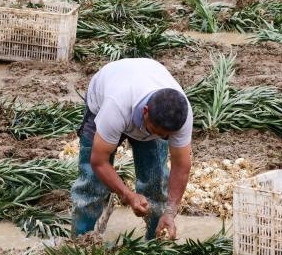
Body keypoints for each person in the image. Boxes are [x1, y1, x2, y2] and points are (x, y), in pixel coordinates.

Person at [71, 58, 194, 241]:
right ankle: (81, 242)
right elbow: (98, 161)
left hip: (143, 88)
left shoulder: (180, 115)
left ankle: (154, 242)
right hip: (105, 99)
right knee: (91, 185)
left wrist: (170, 212)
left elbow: (181, 166)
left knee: (156, 184)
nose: (163, 137)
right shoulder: (115, 106)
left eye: (166, 136)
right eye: (157, 132)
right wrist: (127, 194)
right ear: (145, 112)